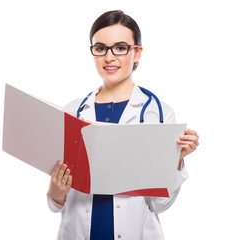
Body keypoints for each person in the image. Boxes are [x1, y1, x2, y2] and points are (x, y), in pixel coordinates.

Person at [47, 10, 199, 240]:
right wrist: (56, 192)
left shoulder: (158, 115)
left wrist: (176, 159)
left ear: (137, 53)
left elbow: (160, 204)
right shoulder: (71, 111)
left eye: (120, 47)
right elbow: (56, 204)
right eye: (100, 48)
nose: (109, 57)